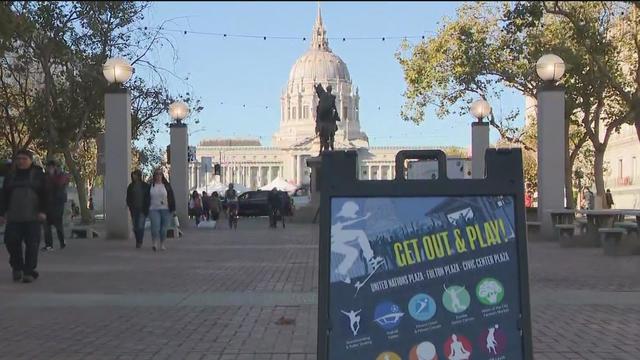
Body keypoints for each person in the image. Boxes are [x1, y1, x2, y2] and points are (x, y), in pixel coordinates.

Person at [0, 149, 48, 283]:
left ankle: (28, 272)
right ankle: (17, 267)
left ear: (30, 160)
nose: (21, 161)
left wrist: (43, 211)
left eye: (24, 159)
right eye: (18, 159)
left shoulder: (39, 175)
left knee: (32, 245)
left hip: (33, 217)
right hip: (14, 217)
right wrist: (2, 213)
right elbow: (3, 196)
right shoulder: (10, 176)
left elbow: (45, 194)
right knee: (11, 242)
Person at [146, 168, 176, 251]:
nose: (158, 176)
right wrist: (145, 208)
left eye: (160, 174)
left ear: (162, 176)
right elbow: (146, 198)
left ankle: (162, 243)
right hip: (153, 209)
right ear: (154, 176)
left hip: (166, 209)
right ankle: (154, 243)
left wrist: (173, 209)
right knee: (155, 227)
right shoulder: (151, 186)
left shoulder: (166, 185)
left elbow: (171, 197)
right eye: (157, 174)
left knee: (164, 229)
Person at [41, 160, 69, 251]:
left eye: (52, 167)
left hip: (58, 203)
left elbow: (59, 184)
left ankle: (62, 242)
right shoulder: (45, 176)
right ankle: (49, 245)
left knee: (58, 223)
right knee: (46, 225)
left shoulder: (62, 175)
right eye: (48, 167)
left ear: (56, 167)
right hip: (47, 203)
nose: (49, 169)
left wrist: (52, 176)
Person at [126, 169, 149, 249]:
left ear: (139, 176)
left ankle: (140, 241)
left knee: (140, 226)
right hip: (134, 209)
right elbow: (128, 197)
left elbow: (148, 197)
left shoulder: (145, 186)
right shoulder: (131, 186)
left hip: (143, 209)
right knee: (135, 226)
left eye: (135, 175)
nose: (134, 176)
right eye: (133, 175)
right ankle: (138, 240)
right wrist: (129, 205)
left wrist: (148, 206)